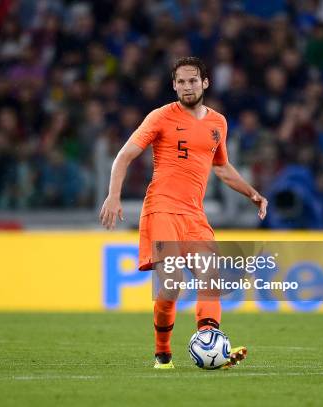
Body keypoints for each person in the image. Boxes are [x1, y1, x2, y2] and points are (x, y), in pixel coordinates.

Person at [99, 57, 268, 369]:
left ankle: (210, 342)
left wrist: (252, 193)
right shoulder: (161, 117)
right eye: (181, 82)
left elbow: (222, 167)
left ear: (205, 82)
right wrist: (113, 195)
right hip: (161, 208)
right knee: (172, 282)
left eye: (193, 81)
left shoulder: (219, 123)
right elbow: (124, 156)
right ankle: (163, 352)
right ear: (173, 85)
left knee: (210, 276)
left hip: (194, 215)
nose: (187, 87)